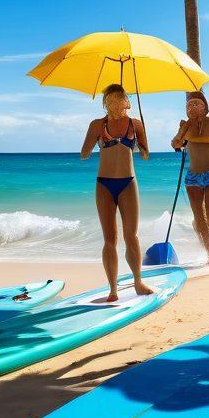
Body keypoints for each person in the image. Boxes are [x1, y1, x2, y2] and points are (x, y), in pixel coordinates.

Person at [81, 84, 154, 302]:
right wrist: (95, 140)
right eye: (110, 100)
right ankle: (112, 290)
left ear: (126, 101)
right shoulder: (97, 124)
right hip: (104, 184)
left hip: (128, 183)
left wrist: (141, 142)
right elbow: (84, 154)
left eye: (118, 98)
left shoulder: (136, 123)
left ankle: (138, 282)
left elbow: (146, 155)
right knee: (109, 239)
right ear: (105, 103)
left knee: (131, 235)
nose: (114, 103)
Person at [171, 90, 209, 265]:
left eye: (196, 103)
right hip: (192, 178)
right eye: (189, 105)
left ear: (205, 107)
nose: (192, 107)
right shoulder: (186, 126)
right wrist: (182, 130)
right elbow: (175, 144)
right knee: (199, 219)